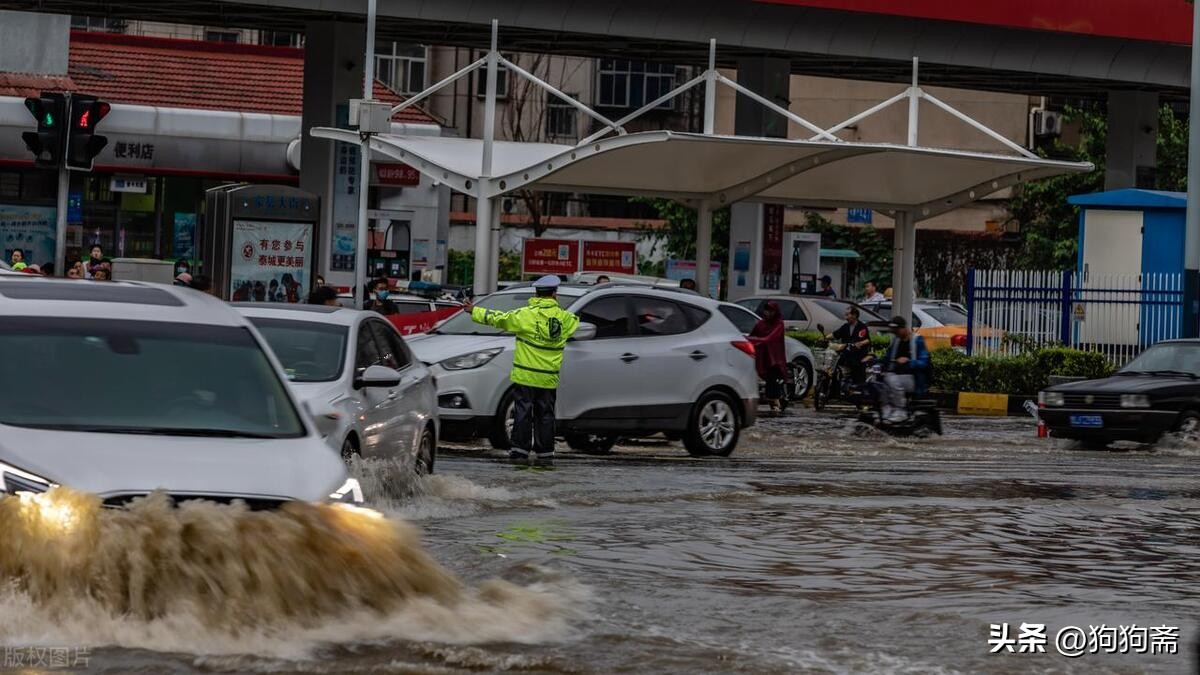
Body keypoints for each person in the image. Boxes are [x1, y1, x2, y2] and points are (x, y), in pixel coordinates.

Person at [463, 275, 579, 463]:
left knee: (523, 414)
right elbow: (574, 323)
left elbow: (498, 318)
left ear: (536, 293)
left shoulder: (525, 315)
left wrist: (474, 310)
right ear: (554, 294)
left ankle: (520, 451)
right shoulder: (565, 319)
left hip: (525, 377)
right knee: (546, 415)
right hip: (548, 379)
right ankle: (545, 453)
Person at [877, 316, 931, 422]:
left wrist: (909, 362)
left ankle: (900, 409)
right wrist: (874, 359)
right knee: (880, 382)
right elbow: (887, 359)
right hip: (896, 375)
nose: (895, 333)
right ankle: (887, 407)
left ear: (904, 328)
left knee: (890, 379)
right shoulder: (896, 341)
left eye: (897, 330)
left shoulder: (917, 340)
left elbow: (924, 362)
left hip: (913, 379)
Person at [748, 300, 788, 413]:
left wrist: (757, 340)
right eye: (767, 310)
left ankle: (776, 404)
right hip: (762, 356)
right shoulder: (760, 324)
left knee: (772, 380)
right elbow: (752, 335)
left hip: (774, 357)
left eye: (771, 310)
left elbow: (770, 338)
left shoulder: (779, 324)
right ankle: (773, 403)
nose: (768, 313)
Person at [827, 306, 872, 385]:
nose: (846, 317)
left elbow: (867, 340)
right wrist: (824, 338)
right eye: (845, 315)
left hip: (858, 353)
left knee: (854, 363)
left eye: (847, 315)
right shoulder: (845, 326)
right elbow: (835, 334)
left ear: (854, 315)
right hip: (845, 351)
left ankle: (854, 383)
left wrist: (859, 343)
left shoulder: (862, 327)